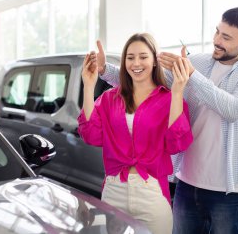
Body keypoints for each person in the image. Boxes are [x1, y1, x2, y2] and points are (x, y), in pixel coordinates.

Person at [96, 7, 238, 234]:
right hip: (187, 184)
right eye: (217, 32)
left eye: (226, 37)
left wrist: (191, 76)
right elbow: (148, 79)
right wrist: (103, 70)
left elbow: (235, 109)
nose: (217, 40)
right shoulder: (198, 62)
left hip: (230, 191)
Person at [77, 33, 193, 234]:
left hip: (152, 193)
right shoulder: (109, 98)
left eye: (143, 56)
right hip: (114, 190)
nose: (136, 63)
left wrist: (177, 92)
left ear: (155, 60)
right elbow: (90, 135)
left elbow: (177, 144)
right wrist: (89, 85)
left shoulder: (169, 98)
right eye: (130, 58)